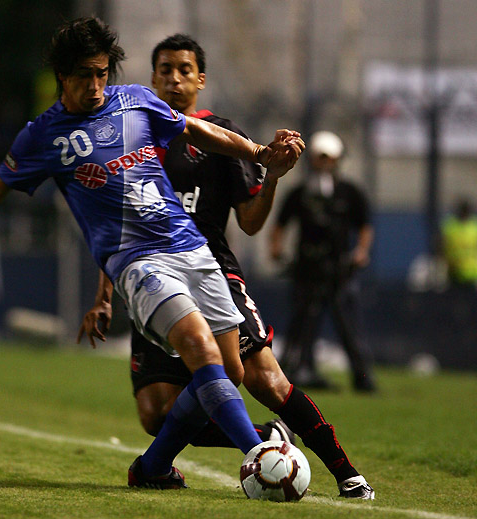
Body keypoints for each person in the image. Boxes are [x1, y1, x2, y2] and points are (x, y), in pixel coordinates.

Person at [0, 17, 303, 493]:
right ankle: (262, 455)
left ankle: (152, 468)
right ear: (63, 76)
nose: (96, 85)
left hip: (191, 247)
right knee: (202, 353)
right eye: (84, 74)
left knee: (228, 372)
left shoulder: (135, 101)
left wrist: (258, 152)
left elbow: (196, 131)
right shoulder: (43, 136)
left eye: (102, 73)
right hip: (137, 262)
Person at [80, 34, 374, 500]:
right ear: (151, 77)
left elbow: (252, 224)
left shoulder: (218, 136)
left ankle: (346, 473)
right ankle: (262, 439)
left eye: (183, 69)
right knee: (154, 411)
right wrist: (101, 296)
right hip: (150, 279)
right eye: (163, 70)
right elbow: (115, 226)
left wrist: (271, 177)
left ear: (200, 79)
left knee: (262, 377)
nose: (173, 79)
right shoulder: (127, 138)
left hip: (211, 272)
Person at [270, 131, 376, 392]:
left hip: (340, 269)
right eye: (320, 158)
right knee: (301, 322)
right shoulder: (301, 193)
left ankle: (362, 377)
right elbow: (280, 223)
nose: (325, 163)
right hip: (307, 268)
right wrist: (276, 249)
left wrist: (361, 251)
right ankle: (296, 370)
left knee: (349, 325)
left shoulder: (349, 193)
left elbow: (365, 225)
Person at [441, 198, 477, 289]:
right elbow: (442, 245)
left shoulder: (476, 226)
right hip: (454, 271)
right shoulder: (450, 226)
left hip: (472, 272)